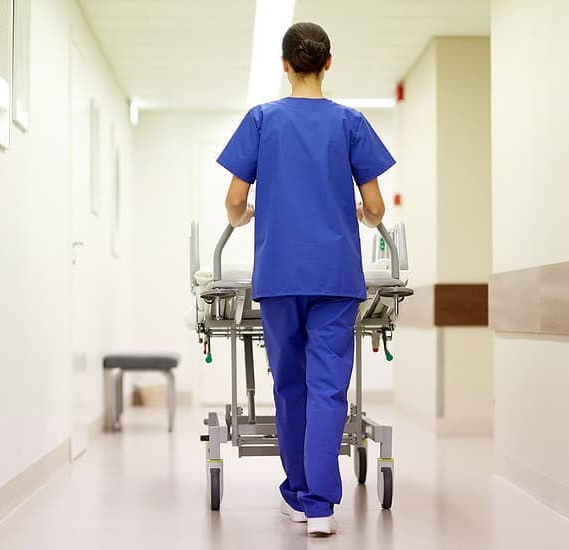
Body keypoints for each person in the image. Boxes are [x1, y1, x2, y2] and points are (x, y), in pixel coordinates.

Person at [216, 21, 394, 537]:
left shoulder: (261, 119)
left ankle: (298, 494)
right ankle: (321, 505)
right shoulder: (350, 123)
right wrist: (360, 211)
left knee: (288, 385)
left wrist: (242, 216)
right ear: (328, 62)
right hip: (337, 275)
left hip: (279, 275)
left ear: (285, 64)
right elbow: (377, 207)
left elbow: (232, 201)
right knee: (328, 388)